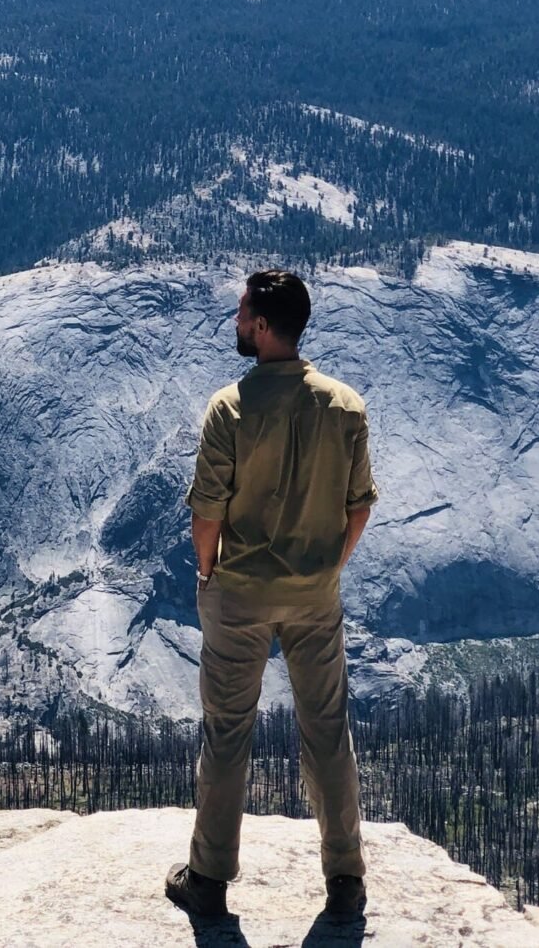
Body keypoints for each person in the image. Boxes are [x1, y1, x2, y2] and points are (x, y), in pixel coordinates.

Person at [164, 268, 376, 924]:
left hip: (240, 593)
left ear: (260, 326)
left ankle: (209, 880)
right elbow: (359, 507)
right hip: (315, 593)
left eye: (240, 312)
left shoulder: (230, 408)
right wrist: (326, 569)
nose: (234, 321)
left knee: (228, 734)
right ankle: (344, 878)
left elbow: (207, 514)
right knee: (326, 731)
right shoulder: (345, 407)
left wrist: (207, 572)